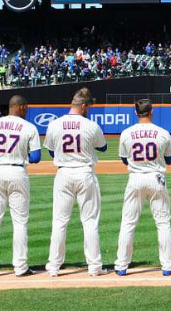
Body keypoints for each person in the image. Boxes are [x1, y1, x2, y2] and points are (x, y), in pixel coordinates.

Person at [43, 88, 109, 277]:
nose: (89, 110)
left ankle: (54, 266)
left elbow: (50, 151)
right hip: (84, 172)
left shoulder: (55, 124)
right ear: (84, 105)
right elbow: (103, 147)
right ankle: (95, 266)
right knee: (89, 222)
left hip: (63, 174)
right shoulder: (90, 124)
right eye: (88, 107)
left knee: (59, 221)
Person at [0, 95, 41, 278]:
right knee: (20, 222)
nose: (27, 110)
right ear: (20, 107)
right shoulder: (29, 127)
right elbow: (36, 157)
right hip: (17, 172)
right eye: (26, 107)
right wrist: (20, 155)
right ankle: (20, 267)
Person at [115, 99, 171, 276]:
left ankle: (121, 265)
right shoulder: (162, 132)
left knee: (128, 222)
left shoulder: (127, 133)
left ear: (136, 113)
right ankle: (168, 266)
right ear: (151, 111)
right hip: (156, 178)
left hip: (135, 178)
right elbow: (170, 160)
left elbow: (124, 159)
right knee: (163, 222)